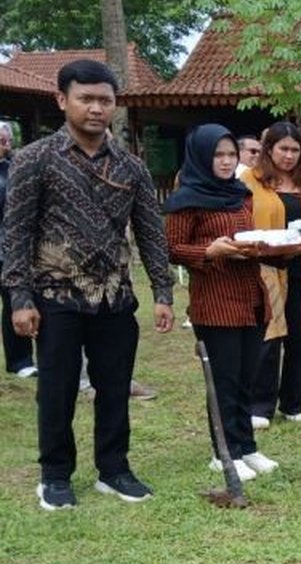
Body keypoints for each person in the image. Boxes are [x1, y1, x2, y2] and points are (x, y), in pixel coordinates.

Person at [1, 59, 174, 510]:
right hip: (55, 295)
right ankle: (55, 475)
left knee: (114, 385)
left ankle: (114, 469)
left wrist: (162, 292)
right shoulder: (33, 160)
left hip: (115, 296)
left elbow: (150, 233)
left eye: (105, 100)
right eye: (86, 99)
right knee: (56, 389)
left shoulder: (131, 168)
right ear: (63, 100)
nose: (97, 109)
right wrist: (19, 298)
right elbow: (15, 232)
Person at [165, 124, 279, 482]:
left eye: (231, 154)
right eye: (219, 155)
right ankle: (223, 452)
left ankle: (246, 446)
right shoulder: (187, 200)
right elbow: (171, 249)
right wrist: (208, 251)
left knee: (247, 378)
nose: (227, 161)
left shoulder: (240, 194)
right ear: (201, 157)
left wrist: (259, 247)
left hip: (250, 298)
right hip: (215, 303)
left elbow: (245, 236)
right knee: (224, 381)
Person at [244, 121, 301, 429]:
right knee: (269, 336)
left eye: (295, 149)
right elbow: (241, 224)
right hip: (266, 268)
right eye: (283, 148)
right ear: (269, 149)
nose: (290, 155)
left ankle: (293, 402)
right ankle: (260, 405)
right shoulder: (251, 182)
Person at [0, 120, 36, 378]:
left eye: (8, 139)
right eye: (1, 140)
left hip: (11, 247)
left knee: (15, 298)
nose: (6, 144)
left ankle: (21, 360)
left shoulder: (15, 167)